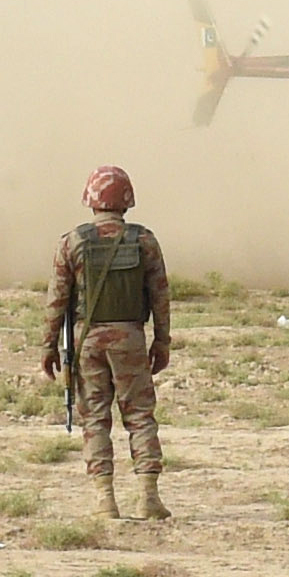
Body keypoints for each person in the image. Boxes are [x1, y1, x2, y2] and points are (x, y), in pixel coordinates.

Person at [43, 165, 176, 521]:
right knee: (140, 416)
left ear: (91, 200)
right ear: (127, 201)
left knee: (95, 419)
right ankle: (148, 496)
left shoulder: (73, 242)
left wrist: (48, 346)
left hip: (87, 340)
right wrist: (162, 341)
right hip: (130, 338)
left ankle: (105, 500)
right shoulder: (144, 240)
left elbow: (57, 299)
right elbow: (160, 296)